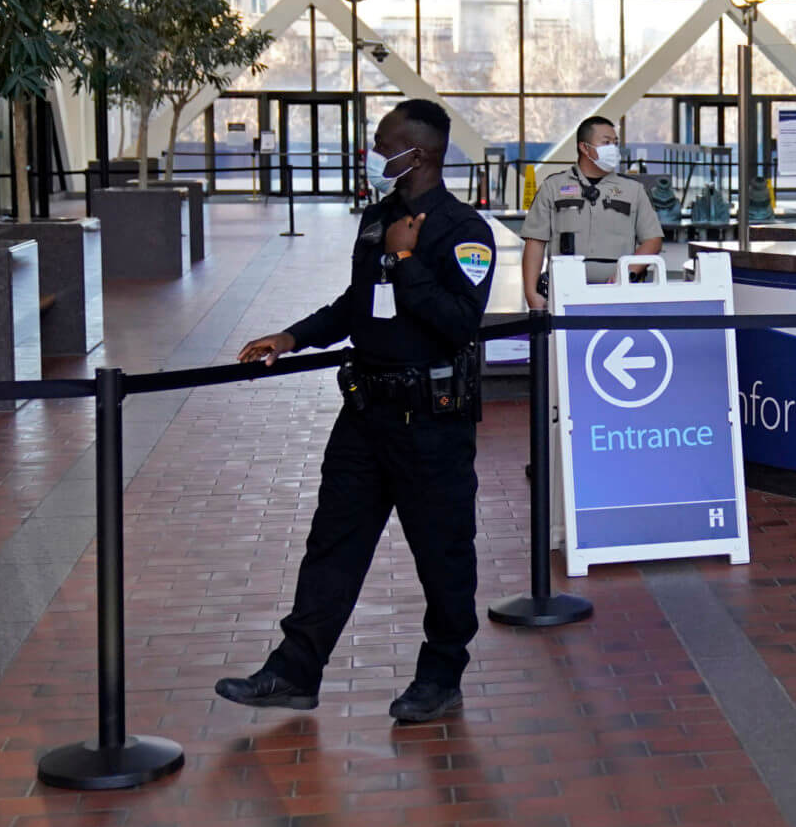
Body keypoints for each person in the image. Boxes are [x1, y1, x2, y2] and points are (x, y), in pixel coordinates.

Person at [215, 99, 495, 724]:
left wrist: (405, 261)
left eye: (382, 143)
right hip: (365, 416)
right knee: (332, 546)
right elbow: (356, 304)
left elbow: (459, 323)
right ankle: (294, 671)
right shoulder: (377, 218)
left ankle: (441, 674)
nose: (372, 151)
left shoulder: (463, 229)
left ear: (417, 154)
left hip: (431, 426)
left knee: (443, 555)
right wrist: (291, 336)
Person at [520, 116, 663, 309]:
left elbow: (652, 239)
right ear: (584, 147)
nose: (613, 148)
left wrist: (627, 273)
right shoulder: (553, 187)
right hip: (564, 293)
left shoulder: (633, 190)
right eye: (606, 143)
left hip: (620, 294)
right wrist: (531, 294)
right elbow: (535, 241)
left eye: (615, 143)